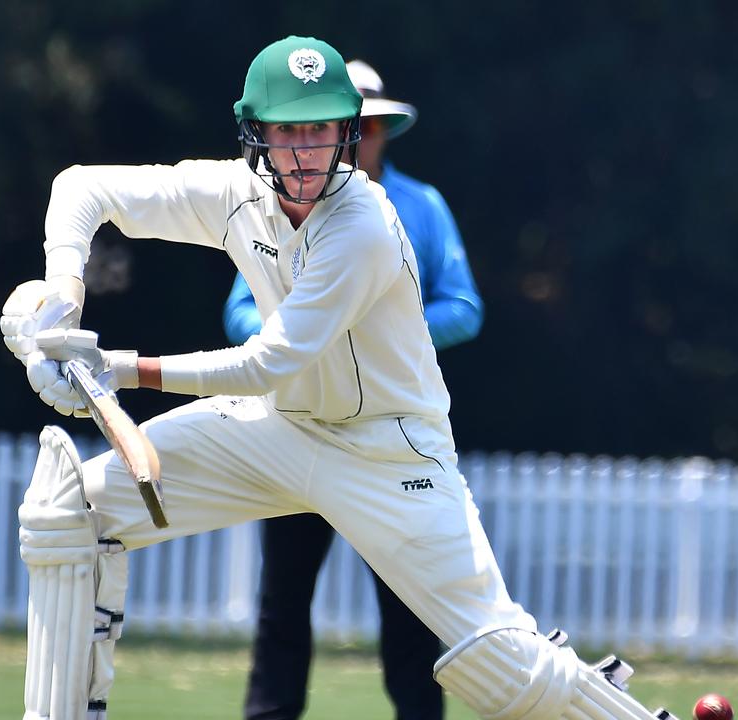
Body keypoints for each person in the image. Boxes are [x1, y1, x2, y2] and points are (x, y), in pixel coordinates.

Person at [0, 35, 661, 720]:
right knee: (69, 516)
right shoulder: (234, 193)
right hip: (280, 430)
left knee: (499, 659)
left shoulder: (365, 221)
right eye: (288, 130)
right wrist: (65, 296)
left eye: (320, 129)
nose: (307, 151)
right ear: (256, 134)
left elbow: (268, 362)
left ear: (346, 131)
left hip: (389, 449)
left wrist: (116, 369)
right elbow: (82, 187)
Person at [225, 58, 482, 720]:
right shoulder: (278, 206)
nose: (356, 140)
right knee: (283, 596)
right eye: (346, 127)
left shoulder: (421, 206)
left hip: (385, 436)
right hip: (298, 427)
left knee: (410, 598)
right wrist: (302, 332)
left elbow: (465, 307)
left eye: (368, 128)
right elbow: (238, 312)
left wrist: (375, 324)